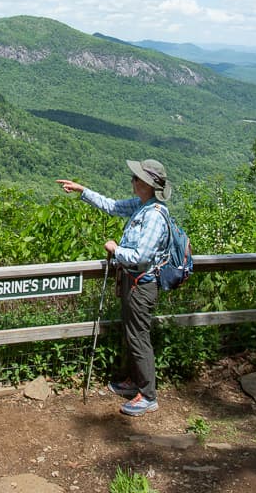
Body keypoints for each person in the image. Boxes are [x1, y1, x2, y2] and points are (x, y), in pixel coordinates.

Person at [56, 159, 173, 416]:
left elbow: (141, 257)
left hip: (142, 286)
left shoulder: (153, 216)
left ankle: (148, 395)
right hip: (133, 283)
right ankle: (135, 382)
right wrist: (81, 190)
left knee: (138, 337)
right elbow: (112, 206)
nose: (131, 181)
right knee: (132, 333)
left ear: (146, 184)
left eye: (135, 178)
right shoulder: (142, 206)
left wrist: (115, 249)